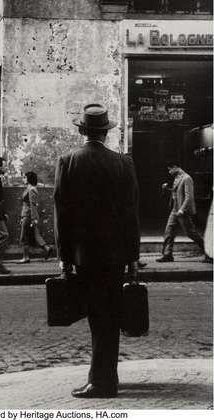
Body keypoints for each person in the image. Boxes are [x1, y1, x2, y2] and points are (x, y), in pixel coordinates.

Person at [54, 103, 141, 399]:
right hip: (116, 255)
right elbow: (131, 215)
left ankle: (102, 383)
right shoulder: (123, 163)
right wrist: (133, 259)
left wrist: (64, 259)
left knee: (97, 316)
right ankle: (103, 377)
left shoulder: (68, 161)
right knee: (111, 317)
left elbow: (62, 215)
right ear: (106, 132)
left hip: (85, 256)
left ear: (82, 130)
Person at [156, 161, 205, 262]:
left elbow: (189, 196)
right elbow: (177, 193)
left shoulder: (187, 178)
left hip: (182, 211)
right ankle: (167, 254)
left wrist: (182, 209)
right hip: (175, 209)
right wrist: (166, 188)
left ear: (175, 167)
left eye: (170, 169)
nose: (169, 172)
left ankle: (210, 252)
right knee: (169, 232)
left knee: (191, 233)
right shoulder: (177, 177)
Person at [17, 171, 53, 263]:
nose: (23, 179)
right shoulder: (31, 188)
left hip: (28, 215)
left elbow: (33, 205)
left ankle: (26, 257)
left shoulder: (31, 189)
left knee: (24, 236)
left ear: (29, 179)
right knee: (35, 234)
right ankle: (47, 248)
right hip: (28, 215)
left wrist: (33, 218)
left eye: (25, 177)